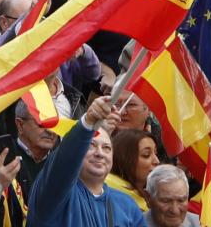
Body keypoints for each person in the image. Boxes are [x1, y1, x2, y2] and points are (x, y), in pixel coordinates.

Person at [28, 95, 146, 227]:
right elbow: (63, 160)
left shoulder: (127, 205)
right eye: (91, 145)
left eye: (106, 148)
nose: (100, 153)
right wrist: (87, 123)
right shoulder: (53, 193)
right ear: (78, 151)